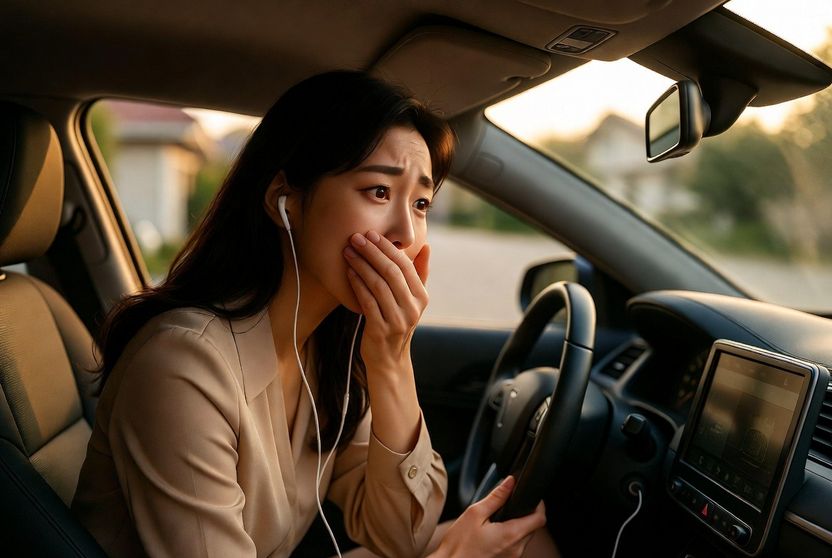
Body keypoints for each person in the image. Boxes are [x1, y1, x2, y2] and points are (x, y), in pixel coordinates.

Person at [72, 70, 549, 558]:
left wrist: (392, 360)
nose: (406, 232)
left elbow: (400, 537)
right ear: (286, 201)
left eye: (422, 202)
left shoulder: (328, 349)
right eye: (379, 192)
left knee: (519, 542)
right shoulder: (183, 365)